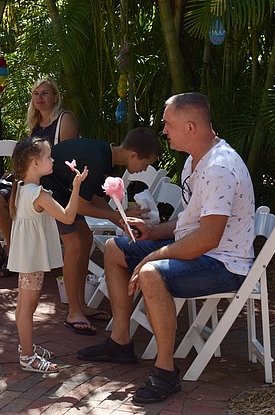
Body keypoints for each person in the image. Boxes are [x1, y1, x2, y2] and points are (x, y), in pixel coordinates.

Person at [78, 93, 255, 405]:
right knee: (113, 249)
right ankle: (121, 342)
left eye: (168, 124)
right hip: (199, 250)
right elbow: (189, 222)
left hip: (223, 264)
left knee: (150, 272)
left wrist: (154, 255)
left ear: (190, 126)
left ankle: (166, 371)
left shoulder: (220, 168)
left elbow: (207, 238)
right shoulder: (193, 161)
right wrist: (153, 232)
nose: (163, 131)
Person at [41, 129, 163, 336]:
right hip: (49, 190)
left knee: (85, 238)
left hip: (65, 192)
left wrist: (120, 216)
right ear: (133, 155)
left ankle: (80, 304)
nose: (144, 169)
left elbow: (95, 198)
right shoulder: (98, 159)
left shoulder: (106, 156)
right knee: (75, 243)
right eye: (146, 163)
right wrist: (115, 217)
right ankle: (73, 312)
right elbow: (80, 207)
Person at [0, 77, 79, 276]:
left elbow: (64, 157)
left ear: (56, 97)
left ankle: (14, 254)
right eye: (36, 94)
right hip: (28, 177)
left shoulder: (64, 119)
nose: (39, 98)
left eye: (45, 93)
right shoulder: (35, 122)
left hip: (50, 180)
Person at [8, 137, 88, 372]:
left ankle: (26, 347)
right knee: (27, 308)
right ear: (34, 163)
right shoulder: (39, 194)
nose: (52, 160)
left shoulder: (22, 188)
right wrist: (76, 188)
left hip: (26, 256)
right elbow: (68, 217)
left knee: (23, 305)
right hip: (31, 258)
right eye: (48, 157)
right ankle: (27, 356)